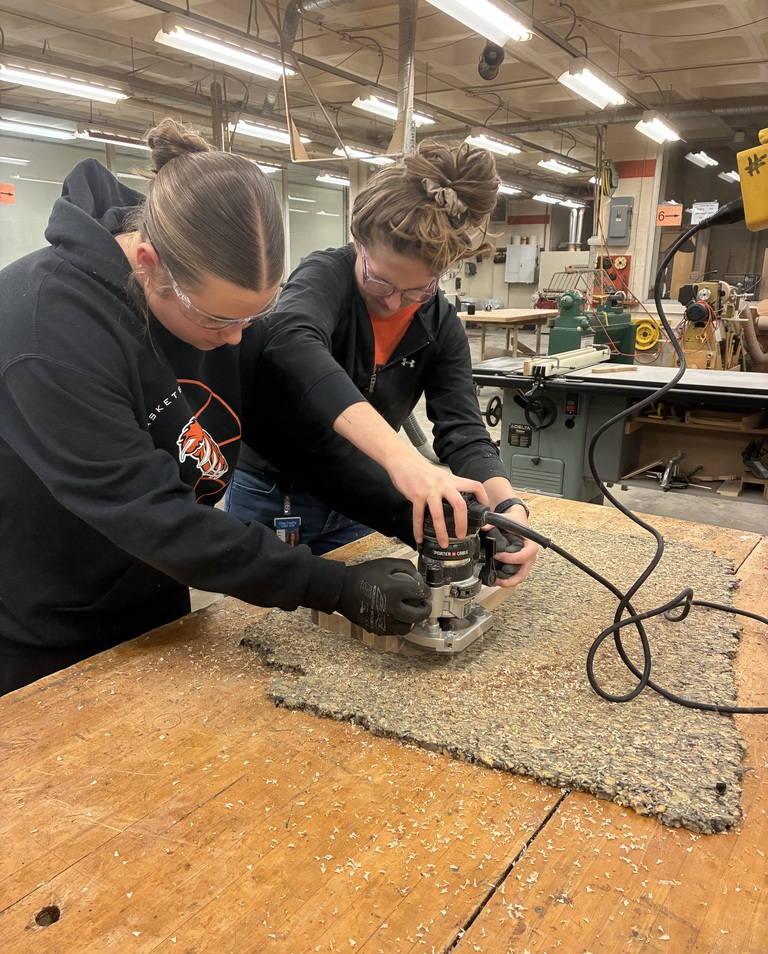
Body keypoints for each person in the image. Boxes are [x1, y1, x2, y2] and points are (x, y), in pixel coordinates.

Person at [0, 118, 435, 696]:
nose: (235, 339)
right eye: (217, 320)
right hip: (45, 633)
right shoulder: (46, 330)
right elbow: (151, 512)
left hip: (159, 600)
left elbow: (301, 444)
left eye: (252, 318)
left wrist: (417, 518)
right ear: (149, 262)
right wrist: (330, 585)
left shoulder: (220, 314)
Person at [226, 140, 538, 580]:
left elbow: (464, 431)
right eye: (380, 283)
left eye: (416, 291)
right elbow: (290, 343)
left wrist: (508, 507)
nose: (393, 302)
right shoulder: (324, 277)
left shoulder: (440, 324)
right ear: (359, 242)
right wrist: (403, 461)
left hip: (359, 502)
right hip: (276, 497)